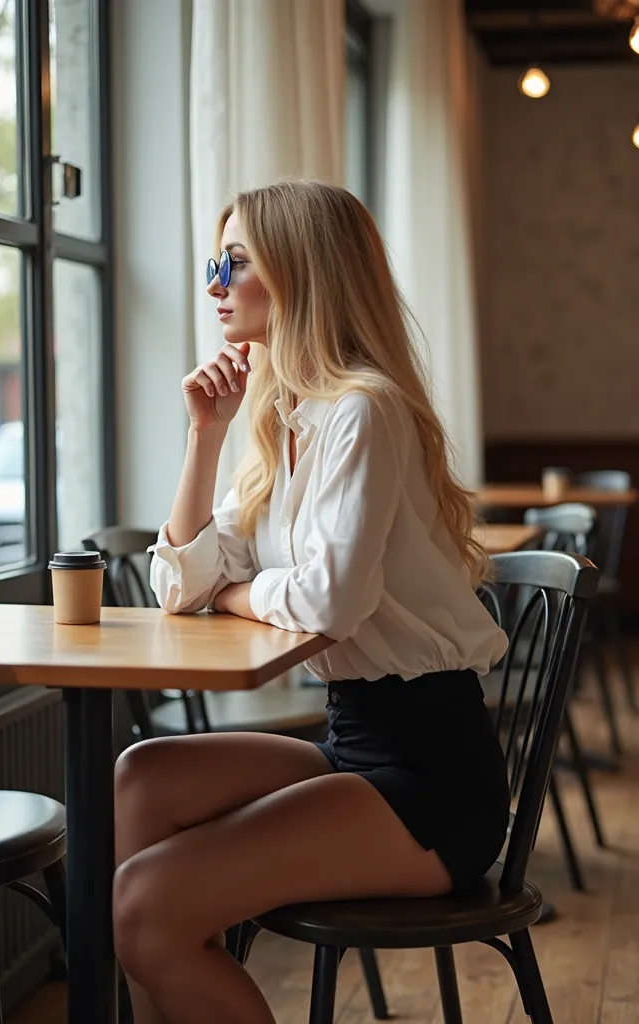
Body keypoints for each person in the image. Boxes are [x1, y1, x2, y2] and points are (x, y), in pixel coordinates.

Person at [113, 180, 510, 1024]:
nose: (215, 282)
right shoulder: (283, 417)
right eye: (213, 262)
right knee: (142, 776)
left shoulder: (362, 411)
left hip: (432, 779)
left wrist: (237, 589)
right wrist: (205, 434)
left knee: (146, 905)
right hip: (353, 740)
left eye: (237, 261)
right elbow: (181, 587)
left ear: (302, 273)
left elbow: (329, 602)